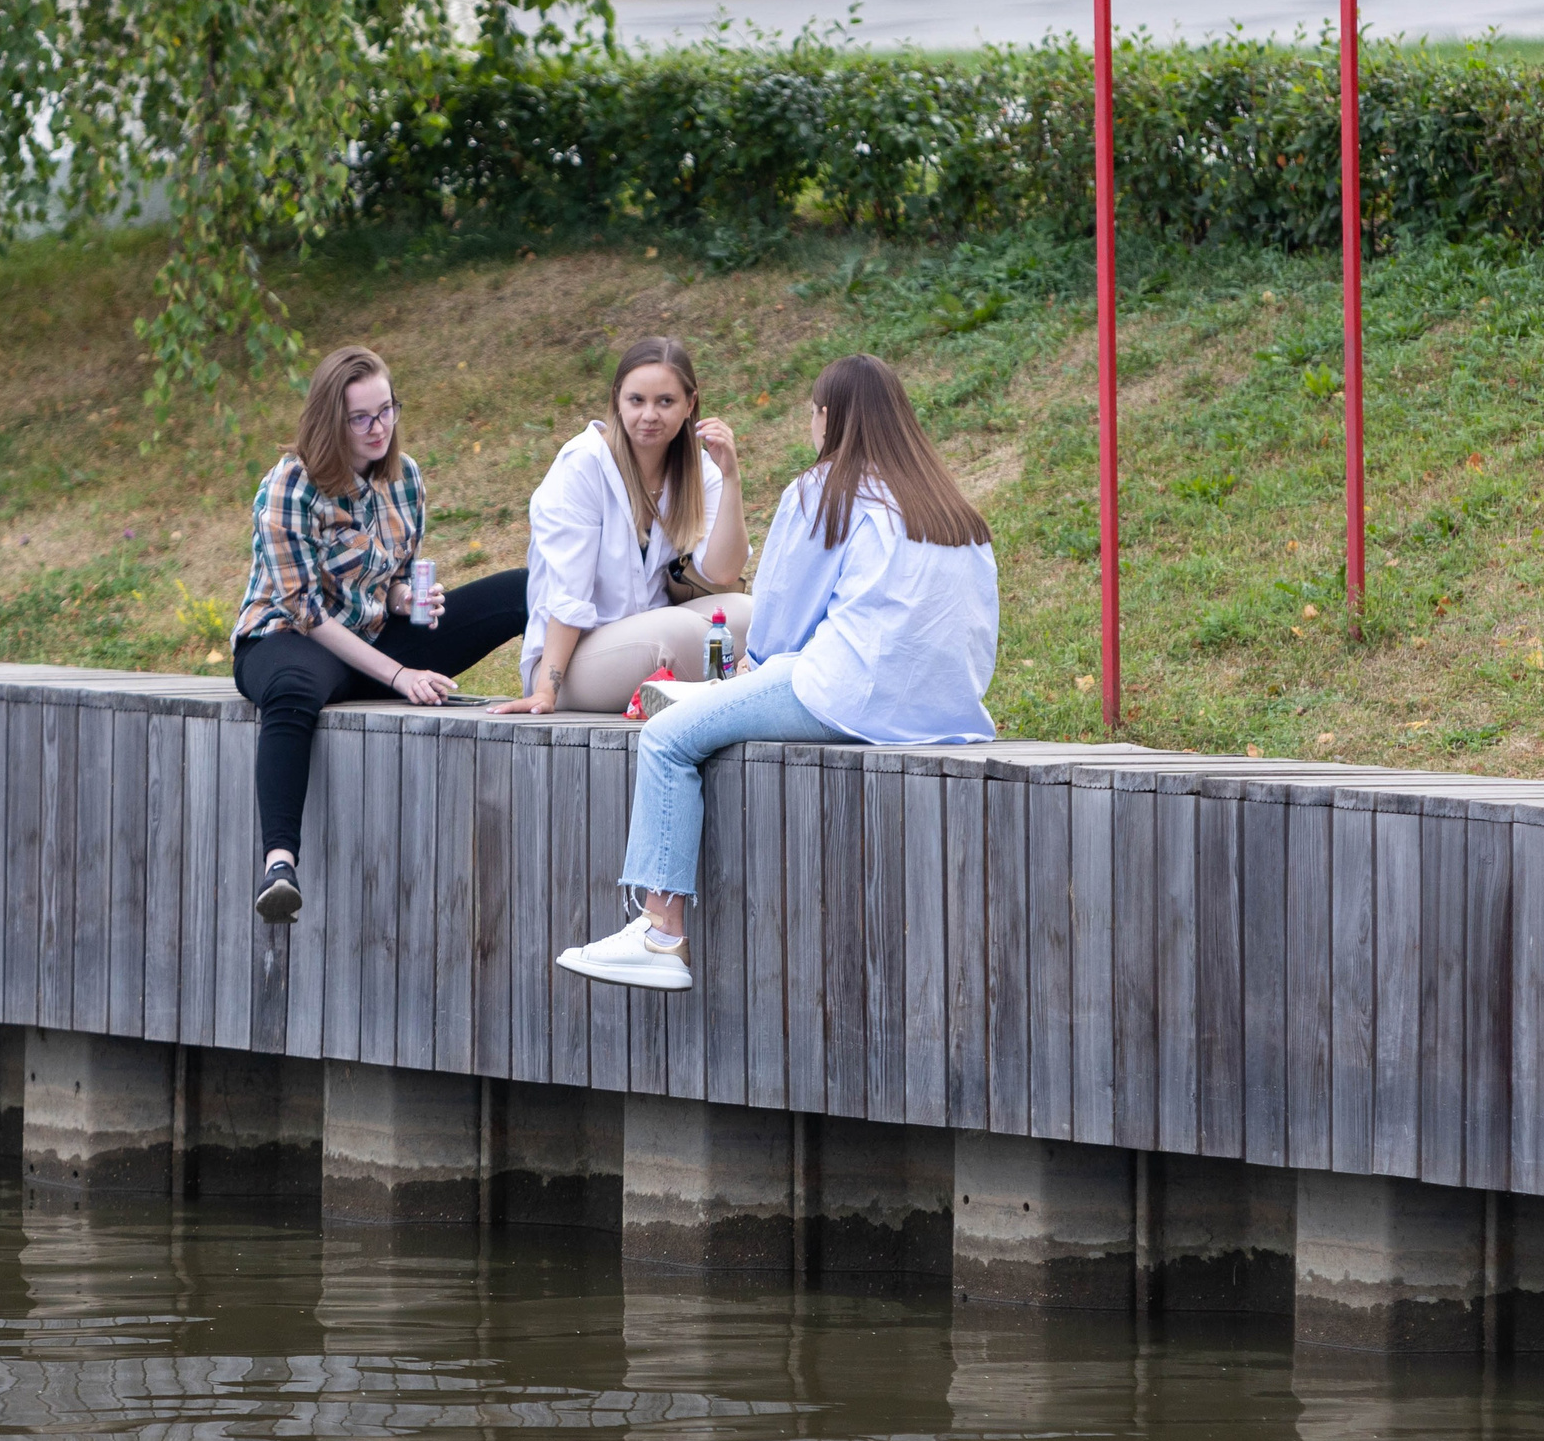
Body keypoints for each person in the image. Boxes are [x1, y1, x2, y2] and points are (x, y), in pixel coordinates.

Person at [554, 353, 999, 994]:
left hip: (844, 696)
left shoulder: (826, 491)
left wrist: (741, 678)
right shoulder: (954, 508)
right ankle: (656, 932)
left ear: (825, 418)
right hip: (949, 711)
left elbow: (778, 627)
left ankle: (659, 932)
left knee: (668, 736)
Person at [231, 346, 528, 924]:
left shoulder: (406, 478)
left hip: (368, 640)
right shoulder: (289, 487)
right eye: (361, 418)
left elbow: (388, 580)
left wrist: (404, 598)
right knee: (294, 686)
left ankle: (556, 689)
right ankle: (280, 865)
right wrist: (399, 674)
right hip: (286, 640)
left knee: (520, 590)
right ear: (329, 421)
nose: (379, 428)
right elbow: (307, 614)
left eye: (386, 410)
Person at [490, 337, 752, 718]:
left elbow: (724, 571)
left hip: (647, 632)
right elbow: (568, 595)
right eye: (636, 400)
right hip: (576, 659)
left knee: (750, 614)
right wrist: (546, 690)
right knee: (672, 636)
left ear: (690, 404)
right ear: (616, 399)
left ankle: (698, 692)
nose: (650, 415)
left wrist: (731, 479)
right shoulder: (583, 465)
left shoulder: (696, 468)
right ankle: (721, 689)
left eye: (665, 401)